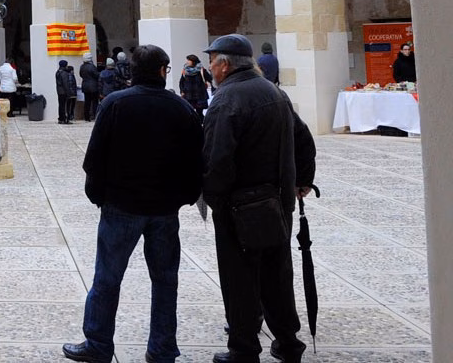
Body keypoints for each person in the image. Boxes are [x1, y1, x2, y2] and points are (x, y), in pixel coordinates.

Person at [63, 44, 204, 363]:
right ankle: (162, 348)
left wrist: (98, 194)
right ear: (161, 71)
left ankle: (98, 344)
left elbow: (94, 157)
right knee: (165, 281)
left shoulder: (115, 104)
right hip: (164, 209)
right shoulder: (180, 109)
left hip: (121, 205)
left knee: (107, 277)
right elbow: (196, 160)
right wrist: (185, 196)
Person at [201, 33, 307, 363]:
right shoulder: (274, 92)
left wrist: (215, 200)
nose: (209, 67)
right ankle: (288, 343)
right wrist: (302, 180)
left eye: (212, 61)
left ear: (224, 65)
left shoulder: (226, 99)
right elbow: (303, 138)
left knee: (239, 277)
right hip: (277, 202)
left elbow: (217, 158)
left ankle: (243, 348)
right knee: (277, 275)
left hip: (240, 206)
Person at [179, 54, 214, 123]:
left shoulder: (201, 70)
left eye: (189, 60)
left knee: (199, 113)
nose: (187, 62)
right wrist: (182, 91)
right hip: (188, 95)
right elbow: (181, 82)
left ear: (193, 61)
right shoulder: (185, 70)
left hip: (199, 95)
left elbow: (210, 79)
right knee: (189, 111)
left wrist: (214, 89)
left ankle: (201, 125)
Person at [55, 59, 79, 124]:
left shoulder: (58, 72)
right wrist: (69, 93)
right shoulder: (64, 73)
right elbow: (66, 84)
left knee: (61, 105)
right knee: (65, 106)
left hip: (59, 91)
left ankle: (60, 119)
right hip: (64, 92)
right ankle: (64, 119)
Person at [79, 55, 100, 122]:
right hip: (93, 86)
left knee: (87, 102)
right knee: (95, 102)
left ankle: (87, 117)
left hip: (85, 85)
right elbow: (96, 75)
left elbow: (81, 75)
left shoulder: (82, 66)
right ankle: (95, 115)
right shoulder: (92, 66)